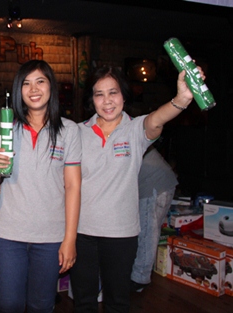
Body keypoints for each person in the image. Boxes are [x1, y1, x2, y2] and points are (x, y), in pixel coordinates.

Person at [70, 65, 205, 313]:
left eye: (113, 92)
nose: (107, 101)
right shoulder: (77, 132)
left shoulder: (136, 129)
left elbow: (157, 119)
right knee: (84, 301)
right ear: (92, 99)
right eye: (99, 94)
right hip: (81, 232)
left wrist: (182, 99)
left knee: (117, 302)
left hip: (121, 233)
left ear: (123, 95)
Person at [0, 60, 81, 313]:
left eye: (40, 81)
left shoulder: (69, 131)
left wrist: (70, 239)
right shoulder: (6, 128)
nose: (33, 89)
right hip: (8, 234)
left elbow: (73, 186)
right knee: (8, 304)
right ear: (19, 90)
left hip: (51, 236)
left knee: (41, 305)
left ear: (51, 86)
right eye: (26, 83)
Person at [131, 145, 178, 292]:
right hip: (157, 184)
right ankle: (138, 273)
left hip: (155, 186)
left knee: (147, 232)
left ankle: (140, 279)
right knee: (146, 231)